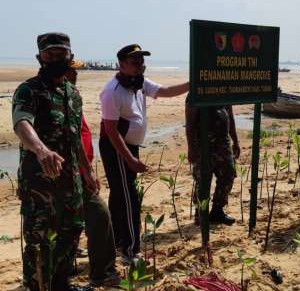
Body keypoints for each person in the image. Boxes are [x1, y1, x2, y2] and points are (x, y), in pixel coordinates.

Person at [12, 32, 95, 291]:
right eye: (50, 55)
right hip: (39, 178)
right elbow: (21, 122)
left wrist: (87, 170)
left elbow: (75, 136)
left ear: (71, 57)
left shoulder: (72, 94)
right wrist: (41, 150)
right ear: (40, 58)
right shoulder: (29, 90)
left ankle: (60, 285)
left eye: (61, 54)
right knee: (39, 237)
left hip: (70, 177)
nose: (56, 59)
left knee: (73, 228)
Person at [98, 44, 189, 263]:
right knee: (129, 198)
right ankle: (130, 251)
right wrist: (130, 159)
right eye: (134, 62)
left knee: (120, 195)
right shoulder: (112, 92)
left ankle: (117, 240)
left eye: (141, 61)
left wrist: (192, 83)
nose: (139, 65)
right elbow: (110, 131)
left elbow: (166, 91)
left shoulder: (139, 84)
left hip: (130, 146)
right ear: (121, 65)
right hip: (116, 147)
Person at [66, 60, 120, 287]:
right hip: (70, 172)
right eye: (73, 69)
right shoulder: (54, 96)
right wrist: (86, 170)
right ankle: (101, 272)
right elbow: (71, 136)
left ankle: (97, 271)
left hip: (80, 169)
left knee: (88, 219)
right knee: (97, 215)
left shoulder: (71, 94)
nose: (76, 73)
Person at [185, 96, 240, 225]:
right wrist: (191, 148)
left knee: (228, 174)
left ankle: (217, 211)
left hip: (223, 143)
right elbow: (190, 123)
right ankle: (200, 214)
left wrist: (236, 141)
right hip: (203, 144)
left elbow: (230, 117)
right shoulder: (196, 92)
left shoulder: (224, 91)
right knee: (202, 180)